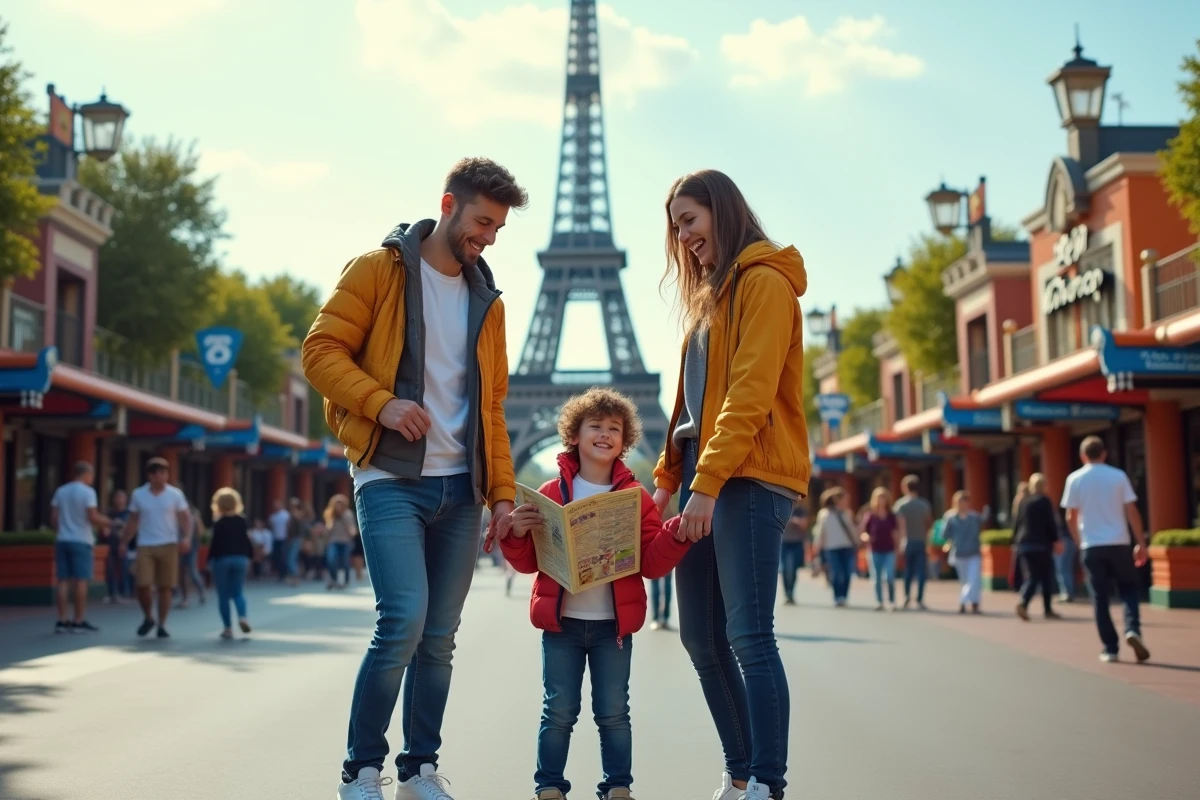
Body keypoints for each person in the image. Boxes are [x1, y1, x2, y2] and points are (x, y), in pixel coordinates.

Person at [302, 157, 526, 800]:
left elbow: (492, 409)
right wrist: (382, 403)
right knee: (401, 621)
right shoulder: (377, 270)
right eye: (482, 221)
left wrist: (503, 495)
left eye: (498, 228)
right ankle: (361, 769)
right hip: (390, 478)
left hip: (461, 489)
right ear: (448, 204)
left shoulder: (489, 302)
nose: (488, 237)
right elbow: (319, 351)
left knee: (439, 639)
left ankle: (419, 768)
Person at [652, 170, 810, 800]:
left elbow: (748, 394)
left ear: (722, 210)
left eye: (689, 220)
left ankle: (767, 783)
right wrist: (669, 479)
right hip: (705, 471)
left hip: (748, 473)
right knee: (701, 638)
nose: (682, 237)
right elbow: (691, 407)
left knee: (749, 635)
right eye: (676, 227)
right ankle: (740, 771)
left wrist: (707, 484)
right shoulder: (710, 297)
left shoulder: (765, 283)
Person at [502, 388, 690, 800]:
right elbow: (529, 561)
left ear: (625, 440)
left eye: (614, 429)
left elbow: (653, 564)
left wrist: (673, 534)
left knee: (613, 713)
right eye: (596, 426)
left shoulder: (636, 499)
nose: (605, 434)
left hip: (612, 627)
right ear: (575, 434)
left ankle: (617, 786)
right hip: (562, 624)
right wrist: (516, 533)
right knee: (559, 711)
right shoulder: (551, 494)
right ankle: (549, 786)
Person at [1062, 436, 1151, 664]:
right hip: (1119, 543)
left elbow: (1070, 516)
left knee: (1100, 597)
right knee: (1129, 589)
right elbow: (1132, 511)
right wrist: (1140, 542)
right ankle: (1132, 629)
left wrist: (1080, 541)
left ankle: (1110, 648)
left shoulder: (1075, 479)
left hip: (1091, 545)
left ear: (1082, 456)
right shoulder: (1118, 476)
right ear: (1104, 454)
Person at [121, 458, 192, 638]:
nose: (162, 476)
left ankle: (162, 624)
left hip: (169, 544)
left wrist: (186, 537)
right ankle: (148, 617)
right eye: (158, 473)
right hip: (145, 544)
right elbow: (133, 520)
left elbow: (185, 517)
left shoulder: (175, 494)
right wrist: (124, 541)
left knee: (165, 587)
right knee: (142, 584)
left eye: (165, 473)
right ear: (150, 475)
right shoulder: (139, 494)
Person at [50, 462, 109, 633]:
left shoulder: (60, 491)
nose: (92, 479)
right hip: (81, 540)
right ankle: (78, 620)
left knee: (62, 580)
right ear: (86, 474)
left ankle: (61, 620)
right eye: (91, 475)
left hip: (62, 539)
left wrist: (63, 529)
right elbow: (92, 516)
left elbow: (54, 518)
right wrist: (108, 522)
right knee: (81, 580)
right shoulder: (88, 492)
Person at [1013, 473, 1063, 621]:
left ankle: (1042, 607)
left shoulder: (1023, 501)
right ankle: (1027, 603)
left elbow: (1017, 523)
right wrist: (1056, 539)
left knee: (1033, 576)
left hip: (1024, 544)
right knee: (1043, 576)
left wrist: (1014, 541)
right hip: (1041, 545)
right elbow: (1050, 523)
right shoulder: (1044, 501)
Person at [208, 487, 253, 639]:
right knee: (238, 592)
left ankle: (228, 628)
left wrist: (210, 560)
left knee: (223, 595)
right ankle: (243, 617)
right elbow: (247, 541)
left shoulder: (219, 522)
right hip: (240, 559)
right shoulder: (242, 520)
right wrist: (250, 556)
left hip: (222, 559)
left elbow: (215, 543)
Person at [858, 487, 904, 612]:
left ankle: (891, 600)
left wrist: (898, 545)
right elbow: (862, 531)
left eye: (883, 498)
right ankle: (879, 601)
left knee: (889, 576)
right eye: (879, 498)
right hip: (874, 549)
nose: (881, 501)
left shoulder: (892, 516)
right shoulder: (870, 515)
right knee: (876, 577)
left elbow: (899, 531)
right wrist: (866, 537)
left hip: (889, 549)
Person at [812, 487, 857, 607]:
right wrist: (817, 547)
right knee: (837, 572)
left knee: (847, 573)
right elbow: (820, 532)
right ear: (837, 499)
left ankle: (844, 596)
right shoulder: (824, 514)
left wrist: (857, 541)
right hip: (832, 548)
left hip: (847, 547)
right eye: (844, 499)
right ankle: (837, 596)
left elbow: (852, 530)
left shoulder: (847, 512)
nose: (846, 501)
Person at [893, 475, 933, 610]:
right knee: (921, 571)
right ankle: (920, 599)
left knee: (908, 571)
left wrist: (898, 543)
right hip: (921, 541)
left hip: (907, 542)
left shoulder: (900, 505)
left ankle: (906, 596)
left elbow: (897, 526)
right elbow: (928, 524)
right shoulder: (924, 505)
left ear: (904, 488)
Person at [943, 491, 985, 614]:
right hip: (959, 553)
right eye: (959, 502)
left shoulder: (974, 517)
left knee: (973, 579)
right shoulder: (951, 517)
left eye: (964, 502)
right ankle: (973, 602)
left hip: (973, 552)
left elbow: (981, 526)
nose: (962, 505)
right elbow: (945, 534)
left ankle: (964, 601)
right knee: (965, 580)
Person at [101, 489, 130, 604]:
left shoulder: (128, 513)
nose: (119, 500)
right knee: (110, 569)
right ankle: (112, 593)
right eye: (117, 497)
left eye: (121, 497)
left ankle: (124, 593)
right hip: (111, 544)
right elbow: (104, 526)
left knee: (124, 568)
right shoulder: (110, 513)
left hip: (124, 544)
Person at [177, 505, 207, 608]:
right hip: (178, 547)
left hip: (192, 547)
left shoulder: (193, 516)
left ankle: (201, 591)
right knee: (181, 574)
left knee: (192, 572)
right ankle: (185, 598)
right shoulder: (176, 517)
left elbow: (200, 533)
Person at [325, 494, 357, 590]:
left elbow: (352, 529)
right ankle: (333, 579)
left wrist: (343, 519)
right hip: (333, 541)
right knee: (331, 560)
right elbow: (328, 529)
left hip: (345, 541)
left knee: (345, 561)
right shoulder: (330, 514)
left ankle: (345, 580)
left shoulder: (348, 514)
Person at [779, 501, 808, 606]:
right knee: (786, 569)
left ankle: (791, 591)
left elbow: (804, 525)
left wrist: (796, 521)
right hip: (784, 543)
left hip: (797, 543)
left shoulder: (800, 510)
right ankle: (787, 593)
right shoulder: (780, 505)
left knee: (793, 569)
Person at [269, 500, 291, 581]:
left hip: (284, 538)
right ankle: (278, 572)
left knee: (283, 556)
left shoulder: (286, 515)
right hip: (275, 538)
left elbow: (289, 527)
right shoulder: (272, 517)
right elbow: (271, 527)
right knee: (276, 556)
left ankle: (284, 573)